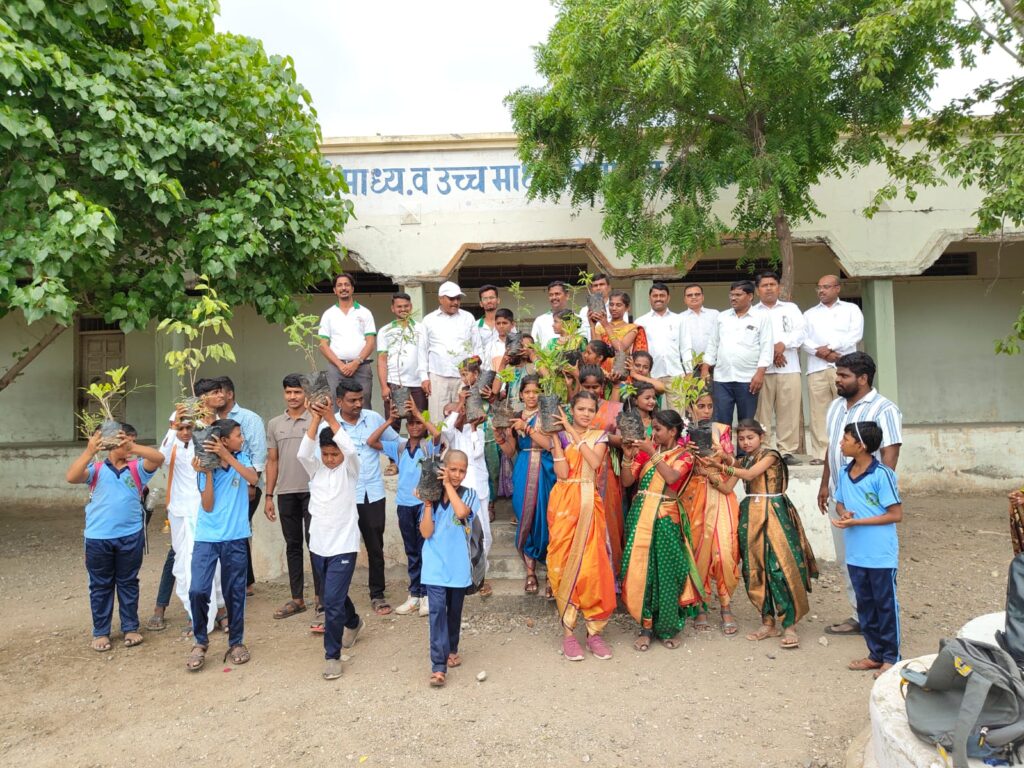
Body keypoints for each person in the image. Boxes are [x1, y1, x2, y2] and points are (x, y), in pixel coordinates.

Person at [708, 419, 818, 650]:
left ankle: (789, 625)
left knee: (781, 567)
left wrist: (722, 465)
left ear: (761, 437)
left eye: (750, 438)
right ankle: (767, 622)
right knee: (755, 568)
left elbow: (749, 475)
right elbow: (727, 488)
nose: (745, 442)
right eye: (741, 439)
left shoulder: (771, 456)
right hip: (751, 515)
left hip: (774, 513)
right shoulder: (744, 460)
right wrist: (707, 472)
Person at [817, 352, 902, 637]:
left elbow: (890, 453)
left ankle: (881, 621)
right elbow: (832, 448)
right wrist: (825, 484)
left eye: (844, 376)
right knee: (848, 560)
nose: (837, 380)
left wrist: (879, 496)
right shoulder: (835, 407)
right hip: (840, 497)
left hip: (869, 501)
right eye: (837, 375)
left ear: (863, 379)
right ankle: (860, 616)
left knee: (875, 563)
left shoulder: (884, 409)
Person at [65, 425, 165, 652]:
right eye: (122, 440)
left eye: (130, 440)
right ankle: (101, 632)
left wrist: (133, 447)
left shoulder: (137, 468)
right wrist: (89, 451)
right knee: (100, 585)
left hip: (130, 536)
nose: (127, 445)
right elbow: (71, 477)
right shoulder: (96, 469)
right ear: (110, 444)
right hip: (98, 538)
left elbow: (158, 458)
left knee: (128, 582)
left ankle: (130, 627)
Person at [620, 410, 705, 651]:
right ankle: (646, 627)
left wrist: (651, 453)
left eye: (657, 429)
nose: (653, 433)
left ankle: (668, 627)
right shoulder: (645, 453)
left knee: (668, 572)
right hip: (640, 516)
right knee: (642, 571)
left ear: (673, 431)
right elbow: (627, 481)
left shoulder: (685, 455)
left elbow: (671, 477)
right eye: (652, 429)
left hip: (666, 518)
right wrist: (627, 457)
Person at [546, 391, 617, 661]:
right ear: (571, 410)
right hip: (564, 504)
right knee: (563, 564)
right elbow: (563, 473)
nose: (586, 414)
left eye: (590, 410)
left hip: (589, 502)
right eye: (581, 409)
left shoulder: (599, 436)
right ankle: (568, 634)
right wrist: (556, 439)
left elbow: (594, 462)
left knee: (592, 567)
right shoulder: (561, 436)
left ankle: (594, 633)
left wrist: (572, 433)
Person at [830, 422, 903, 678]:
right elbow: (839, 503)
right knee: (865, 606)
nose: (841, 443)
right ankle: (875, 655)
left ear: (861, 445)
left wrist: (857, 522)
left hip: (880, 554)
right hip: (856, 553)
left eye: (846, 439)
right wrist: (844, 513)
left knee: (885, 605)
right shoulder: (844, 471)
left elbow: (895, 514)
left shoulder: (882, 474)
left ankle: (891, 658)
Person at [296, 402, 363, 681]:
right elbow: (303, 452)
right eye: (326, 454)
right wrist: (315, 419)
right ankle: (354, 622)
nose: (331, 459)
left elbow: (350, 450)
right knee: (334, 595)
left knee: (332, 600)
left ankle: (332, 656)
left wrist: (330, 419)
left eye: (335, 454)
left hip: (344, 544)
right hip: (319, 544)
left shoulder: (350, 469)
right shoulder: (315, 470)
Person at [187, 418, 258, 671]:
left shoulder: (243, 459)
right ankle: (200, 641)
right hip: (207, 538)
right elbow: (207, 505)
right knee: (198, 590)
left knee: (235, 591)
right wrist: (206, 472)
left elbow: (253, 478)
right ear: (224, 440)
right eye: (238, 435)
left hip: (236, 537)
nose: (242, 438)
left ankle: (236, 642)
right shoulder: (205, 465)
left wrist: (227, 456)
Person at [154, 412, 226, 636]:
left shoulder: (202, 443)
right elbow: (160, 458)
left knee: (208, 562)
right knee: (182, 564)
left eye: (189, 427)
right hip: (178, 512)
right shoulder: (171, 446)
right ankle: (194, 612)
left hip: (202, 510)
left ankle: (218, 609)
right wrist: (171, 430)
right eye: (180, 428)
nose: (185, 432)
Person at [678, 389, 742, 635]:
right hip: (693, 494)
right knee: (698, 548)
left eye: (709, 406)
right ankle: (700, 603)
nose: (706, 411)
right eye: (701, 406)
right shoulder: (683, 431)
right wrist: (688, 453)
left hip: (720, 492)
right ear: (690, 407)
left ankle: (725, 603)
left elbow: (734, 464)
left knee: (725, 550)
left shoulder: (722, 429)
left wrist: (722, 456)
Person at [368, 400, 439, 617]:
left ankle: (427, 594)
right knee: (411, 550)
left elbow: (438, 435)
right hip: (404, 505)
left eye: (418, 423)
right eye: (412, 423)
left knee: (426, 549)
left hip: (424, 505)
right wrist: (390, 420)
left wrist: (418, 413)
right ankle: (414, 594)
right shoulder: (399, 447)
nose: (416, 427)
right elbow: (371, 441)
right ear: (407, 427)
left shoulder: (428, 447)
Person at [335, 377, 399, 616]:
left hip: (373, 493)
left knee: (375, 546)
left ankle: (377, 594)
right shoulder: (330, 426)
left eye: (360, 399)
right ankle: (337, 596)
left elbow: (396, 442)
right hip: (344, 495)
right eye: (352, 400)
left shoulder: (373, 418)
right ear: (339, 402)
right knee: (341, 547)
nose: (358, 404)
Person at [418, 449, 480, 687]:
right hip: (434, 567)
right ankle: (438, 666)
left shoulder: (469, 494)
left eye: (462, 471)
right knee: (436, 614)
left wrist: (447, 486)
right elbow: (426, 533)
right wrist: (426, 504)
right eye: (452, 469)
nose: (457, 474)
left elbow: (461, 512)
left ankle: (452, 648)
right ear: (443, 468)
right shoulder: (431, 495)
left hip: (458, 567)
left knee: (454, 613)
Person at [265, 374, 319, 620]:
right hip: (286, 493)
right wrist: (269, 495)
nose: (293, 396)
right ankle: (297, 598)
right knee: (293, 545)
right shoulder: (274, 424)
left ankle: (321, 598)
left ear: (305, 394)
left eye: (297, 392)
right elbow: (272, 461)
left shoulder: (316, 419)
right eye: (288, 392)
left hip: (313, 491)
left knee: (316, 544)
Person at [499, 374, 556, 595]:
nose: (532, 396)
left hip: (546, 468)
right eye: (527, 392)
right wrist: (500, 437)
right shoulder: (515, 417)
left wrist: (528, 428)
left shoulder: (548, 414)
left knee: (547, 517)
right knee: (525, 515)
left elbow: (550, 445)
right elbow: (510, 451)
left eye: (536, 392)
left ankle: (552, 573)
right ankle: (530, 571)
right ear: (521, 395)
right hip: (523, 467)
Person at [213, 376, 266, 595]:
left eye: (219, 392)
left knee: (239, 530)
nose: (216, 396)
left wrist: (251, 485)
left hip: (245, 483)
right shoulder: (209, 419)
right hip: (220, 485)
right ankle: (243, 581)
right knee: (234, 530)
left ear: (230, 394)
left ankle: (243, 582)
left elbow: (259, 453)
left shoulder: (249, 418)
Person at [802, 276, 864, 464]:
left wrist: (830, 348)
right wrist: (821, 353)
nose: (822, 290)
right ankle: (821, 454)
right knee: (819, 413)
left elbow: (855, 334)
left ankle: (847, 452)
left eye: (826, 287)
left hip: (845, 368)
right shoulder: (809, 314)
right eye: (819, 287)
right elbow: (802, 339)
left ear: (837, 288)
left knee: (847, 409)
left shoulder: (851, 309)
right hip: (817, 367)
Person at [703, 280, 772, 435]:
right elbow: (713, 344)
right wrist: (705, 368)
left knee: (746, 422)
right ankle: (721, 451)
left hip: (748, 379)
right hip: (722, 378)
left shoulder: (761, 317)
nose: (733, 298)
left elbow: (766, 347)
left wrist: (760, 373)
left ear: (750, 296)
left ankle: (743, 451)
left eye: (738, 295)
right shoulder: (722, 317)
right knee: (720, 422)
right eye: (731, 294)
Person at [752, 271, 806, 465]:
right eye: (764, 285)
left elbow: (801, 332)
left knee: (789, 411)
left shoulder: (791, 309)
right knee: (762, 412)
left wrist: (783, 345)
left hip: (788, 367)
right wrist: (773, 352)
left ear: (779, 287)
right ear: (757, 290)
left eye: (772, 284)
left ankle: (786, 451)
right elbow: (749, 340)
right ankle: (764, 450)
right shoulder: (752, 312)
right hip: (761, 371)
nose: (769, 288)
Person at [576, 366, 626, 575]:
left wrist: (599, 436)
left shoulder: (610, 407)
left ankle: (609, 573)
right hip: (579, 470)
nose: (591, 390)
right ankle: (583, 572)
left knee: (608, 517)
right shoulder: (576, 407)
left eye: (595, 386)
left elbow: (622, 440)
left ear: (603, 387)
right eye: (586, 386)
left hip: (606, 469)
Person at [419, 281, 481, 419]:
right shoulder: (428, 320)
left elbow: (477, 347)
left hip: (464, 378)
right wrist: (424, 378)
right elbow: (422, 350)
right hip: (438, 377)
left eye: (458, 298)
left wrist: (476, 375)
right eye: (451, 298)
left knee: (464, 418)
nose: (455, 302)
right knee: (437, 419)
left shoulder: (468, 317)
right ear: (440, 299)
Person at [318, 272, 377, 405]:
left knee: (363, 403)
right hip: (336, 368)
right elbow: (323, 344)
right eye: (339, 285)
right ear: (334, 290)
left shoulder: (365, 312)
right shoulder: (329, 314)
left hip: (361, 366)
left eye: (347, 285)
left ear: (352, 289)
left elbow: (371, 342)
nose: (343, 288)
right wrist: (340, 365)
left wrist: (356, 362)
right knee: (336, 403)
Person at [635, 282, 694, 411]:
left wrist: (689, 372)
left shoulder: (679, 320)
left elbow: (685, 347)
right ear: (649, 298)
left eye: (662, 295)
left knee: (677, 415)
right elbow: (637, 351)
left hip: (676, 374)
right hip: (651, 375)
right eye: (655, 295)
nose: (658, 298)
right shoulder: (640, 322)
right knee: (651, 413)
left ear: (668, 298)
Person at [377, 291, 428, 415]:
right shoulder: (385, 331)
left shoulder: (420, 328)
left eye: (406, 306)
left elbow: (424, 356)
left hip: (417, 384)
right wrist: (384, 387)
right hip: (394, 382)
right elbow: (382, 360)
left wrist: (425, 379)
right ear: (393, 308)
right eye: (399, 306)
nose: (403, 309)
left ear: (411, 307)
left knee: (419, 420)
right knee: (393, 420)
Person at [591, 291, 648, 371]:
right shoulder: (600, 327)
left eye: (618, 305)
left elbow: (620, 349)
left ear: (627, 308)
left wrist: (606, 326)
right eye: (611, 304)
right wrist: (592, 325)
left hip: (621, 371)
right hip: (603, 371)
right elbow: (596, 351)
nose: (614, 308)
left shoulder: (631, 328)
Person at [577, 273, 626, 341]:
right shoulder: (584, 310)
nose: (598, 288)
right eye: (595, 285)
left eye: (602, 284)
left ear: (609, 287)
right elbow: (582, 334)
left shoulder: (617, 308)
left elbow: (624, 330)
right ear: (591, 289)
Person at [681, 283, 719, 359]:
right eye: (689, 295)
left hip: (714, 361)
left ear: (703, 297)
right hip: (689, 363)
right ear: (685, 299)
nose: (694, 297)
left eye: (697, 294)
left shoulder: (715, 314)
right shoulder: (679, 318)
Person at [530, 280, 571, 349]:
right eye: (551, 295)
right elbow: (534, 346)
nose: (554, 297)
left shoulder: (576, 319)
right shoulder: (540, 320)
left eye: (557, 294)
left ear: (567, 296)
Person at [475, 284, 502, 367]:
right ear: (481, 303)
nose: (489, 301)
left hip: (504, 370)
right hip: (482, 369)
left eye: (492, 297)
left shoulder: (507, 324)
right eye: (485, 298)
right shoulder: (476, 326)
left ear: (498, 300)